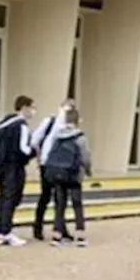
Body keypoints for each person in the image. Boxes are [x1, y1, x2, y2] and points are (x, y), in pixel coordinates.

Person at [40, 103, 92, 247]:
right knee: (77, 204)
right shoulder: (80, 137)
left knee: (60, 205)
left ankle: (57, 235)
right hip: (74, 175)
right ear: (77, 121)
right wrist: (88, 170)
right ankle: (80, 235)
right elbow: (86, 157)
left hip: (58, 173)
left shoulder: (58, 136)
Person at [0, 95, 36, 246]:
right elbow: (23, 149)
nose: (32, 111)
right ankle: (6, 232)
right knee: (11, 198)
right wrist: (35, 151)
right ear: (24, 108)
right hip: (14, 166)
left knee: (2, 197)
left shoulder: (3, 122)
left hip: (0, 165)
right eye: (31, 108)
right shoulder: (21, 125)